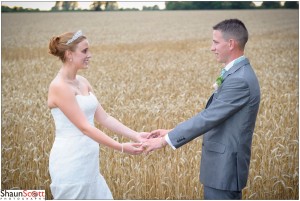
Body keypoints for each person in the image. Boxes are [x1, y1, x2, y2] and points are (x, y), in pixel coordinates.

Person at [143, 19, 261, 199]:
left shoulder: (239, 80)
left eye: (215, 42)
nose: (211, 48)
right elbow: (217, 117)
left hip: (224, 167)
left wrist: (165, 140)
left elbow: (208, 118)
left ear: (231, 44)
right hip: (221, 166)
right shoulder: (237, 73)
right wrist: (171, 131)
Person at [47, 30, 147, 199]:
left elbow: (104, 118)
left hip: (89, 164)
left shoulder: (83, 81)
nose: (90, 55)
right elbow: (85, 128)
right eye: (84, 51)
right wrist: (122, 147)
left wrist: (136, 135)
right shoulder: (59, 86)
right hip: (70, 162)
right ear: (69, 54)